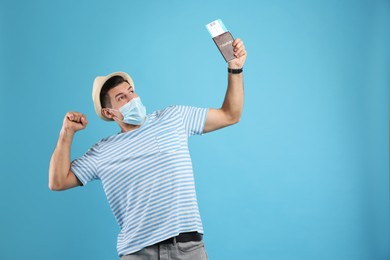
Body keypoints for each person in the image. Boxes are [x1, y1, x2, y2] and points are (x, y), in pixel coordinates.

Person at [48, 38, 247, 260]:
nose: (132, 98)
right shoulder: (103, 151)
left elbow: (231, 114)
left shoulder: (174, 117)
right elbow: (57, 181)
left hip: (188, 250)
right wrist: (66, 133)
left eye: (131, 91)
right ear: (108, 113)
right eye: (121, 97)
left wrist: (235, 69)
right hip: (138, 253)